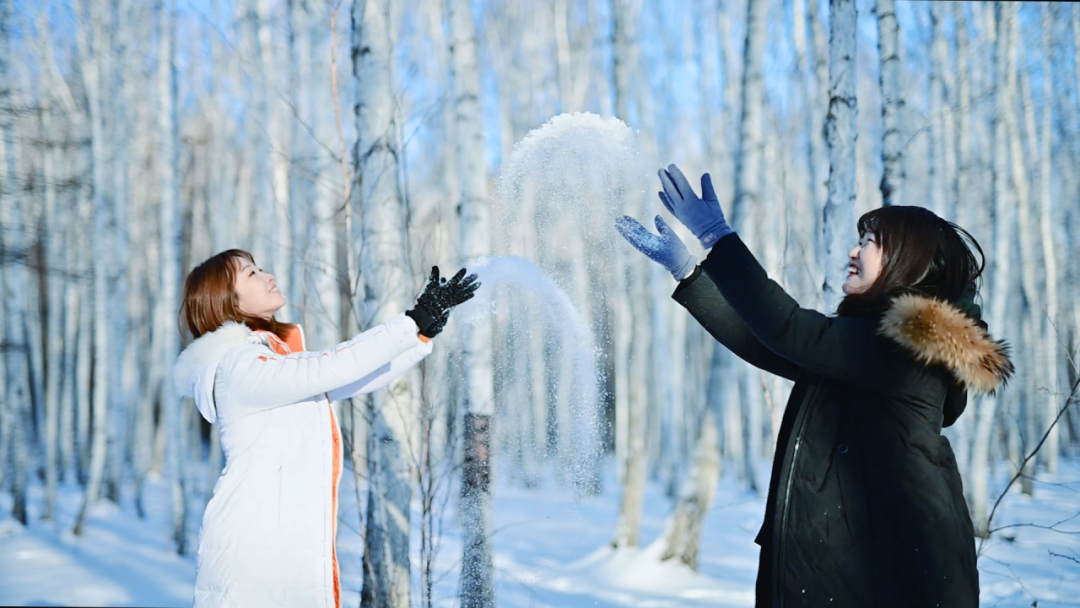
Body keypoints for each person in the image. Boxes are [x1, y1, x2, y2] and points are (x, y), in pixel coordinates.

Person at [616, 165, 1013, 607]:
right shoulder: (871, 349)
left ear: (907, 261)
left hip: (898, 582)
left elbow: (788, 330)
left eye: (869, 242)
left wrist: (717, 237)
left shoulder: (907, 351)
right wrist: (689, 273)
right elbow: (771, 345)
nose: (854, 250)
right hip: (854, 575)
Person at [173, 249, 478, 608]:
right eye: (252, 274)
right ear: (228, 302)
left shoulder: (271, 360)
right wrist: (410, 323)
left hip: (277, 545)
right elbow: (329, 367)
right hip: (252, 555)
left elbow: (351, 377)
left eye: (261, 267)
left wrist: (419, 334)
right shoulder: (239, 367)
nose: (268, 275)